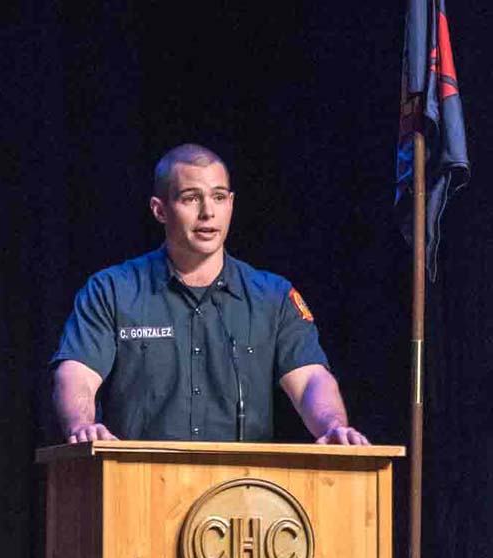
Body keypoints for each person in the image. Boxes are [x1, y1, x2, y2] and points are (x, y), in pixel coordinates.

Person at [51, 143, 369, 445]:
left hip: (240, 493)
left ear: (231, 204)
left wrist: (333, 426)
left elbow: (310, 379)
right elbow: (76, 373)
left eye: (218, 197)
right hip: (140, 487)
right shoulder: (112, 290)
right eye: (191, 198)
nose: (208, 213)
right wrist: (82, 425)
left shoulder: (273, 296)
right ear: (159, 210)